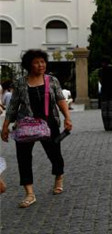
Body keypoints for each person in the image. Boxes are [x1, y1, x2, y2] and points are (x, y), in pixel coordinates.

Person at [1, 49, 73, 208]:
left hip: (50, 123)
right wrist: (5, 127)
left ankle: (58, 176)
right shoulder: (20, 82)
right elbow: (12, 106)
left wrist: (67, 117)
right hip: (26, 124)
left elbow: (61, 100)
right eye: (36, 62)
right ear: (29, 65)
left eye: (43, 61)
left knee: (54, 154)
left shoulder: (52, 80)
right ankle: (29, 193)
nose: (41, 65)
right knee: (23, 157)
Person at [98, 58, 112, 130]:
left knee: (104, 109)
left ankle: (106, 126)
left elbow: (100, 81)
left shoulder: (100, 71)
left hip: (104, 91)